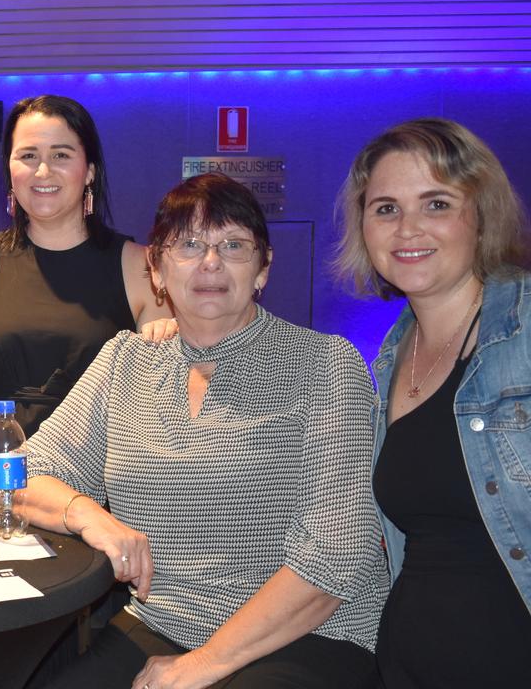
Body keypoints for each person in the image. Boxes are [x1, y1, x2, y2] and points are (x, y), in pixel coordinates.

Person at [23, 173, 388, 688]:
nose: (210, 262)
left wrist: (206, 662)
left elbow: (337, 555)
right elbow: (24, 474)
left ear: (263, 268)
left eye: (233, 245)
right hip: (163, 621)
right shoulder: (127, 361)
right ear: (156, 268)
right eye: (189, 244)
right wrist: (91, 517)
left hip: (309, 633)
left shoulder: (325, 365)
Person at [334, 118, 531, 687]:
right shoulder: (391, 356)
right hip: (404, 663)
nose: (407, 228)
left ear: (481, 215)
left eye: (437, 203)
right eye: (386, 208)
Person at [0, 94, 171, 474]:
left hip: (91, 489)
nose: (43, 171)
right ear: (10, 169)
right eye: (27, 155)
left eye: (61, 155)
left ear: (89, 170)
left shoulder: (140, 267)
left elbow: (164, 403)